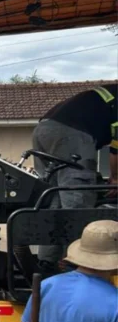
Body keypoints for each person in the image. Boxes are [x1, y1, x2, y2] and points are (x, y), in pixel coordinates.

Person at [32, 83, 118, 274]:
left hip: (42, 130)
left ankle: (47, 264)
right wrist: (115, 178)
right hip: (71, 135)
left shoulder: (107, 97)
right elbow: (116, 150)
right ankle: (76, 265)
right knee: (79, 203)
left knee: (54, 202)